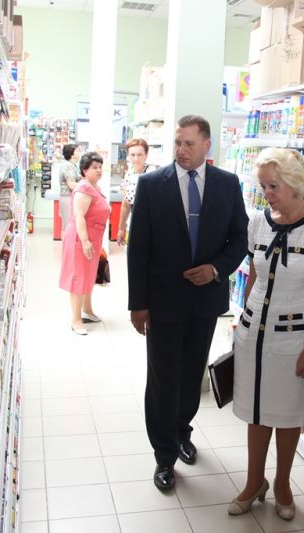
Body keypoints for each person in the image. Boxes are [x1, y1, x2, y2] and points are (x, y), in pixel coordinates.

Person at [127, 115, 248, 490]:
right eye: (177, 143)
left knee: (191, 374)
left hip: (204, 300)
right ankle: (163, 456)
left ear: (206, 145)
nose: (181, 150)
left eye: (189, 144)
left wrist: (216, 269)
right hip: (162, 301)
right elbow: (138, 248)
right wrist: (138, 303)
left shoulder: (227, 184)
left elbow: (239, 240)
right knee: (162, 379)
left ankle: (182, 432)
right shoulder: (152, 185)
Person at [229, 148, 304, 520]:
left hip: (294, 337)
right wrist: (242, 319)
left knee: (289, 413)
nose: (267, 194)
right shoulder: (258, 222)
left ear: (294, 184)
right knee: (256, 410)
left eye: (273, 186)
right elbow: (254, 275)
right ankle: (253, 481)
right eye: (263, 187)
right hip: (253, 333)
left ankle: (283, 483)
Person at [58, 151, 110, 335]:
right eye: (94, 167)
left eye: (100, 167)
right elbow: (79, 216)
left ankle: (87, 310)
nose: (99, 170)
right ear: (84, 170)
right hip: (81, 238)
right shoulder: (84, 189)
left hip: (93, 238)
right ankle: (76, 319)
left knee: (89, 275)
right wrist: (86, 241)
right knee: (78, 277)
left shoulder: (95, 187)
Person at [117, 138, 157, 246]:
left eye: (139, 155)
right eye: (132, 155)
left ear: (146, 155)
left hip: (150, 227)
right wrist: (121, 228)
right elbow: (125, 205)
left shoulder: (153, 174)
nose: (136, 158)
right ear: (128, 155)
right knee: (131, 253)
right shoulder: (128, 175)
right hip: (132, 224)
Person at [55, 143, 81, 232]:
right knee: (68, 226)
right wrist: (86, 185)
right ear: (72, 153)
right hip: (68, 197)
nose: (79, 152)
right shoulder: (68, 166)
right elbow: (71, 185)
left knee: (69, 225)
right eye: (77, 151)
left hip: (71, 197)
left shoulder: (73, 165)